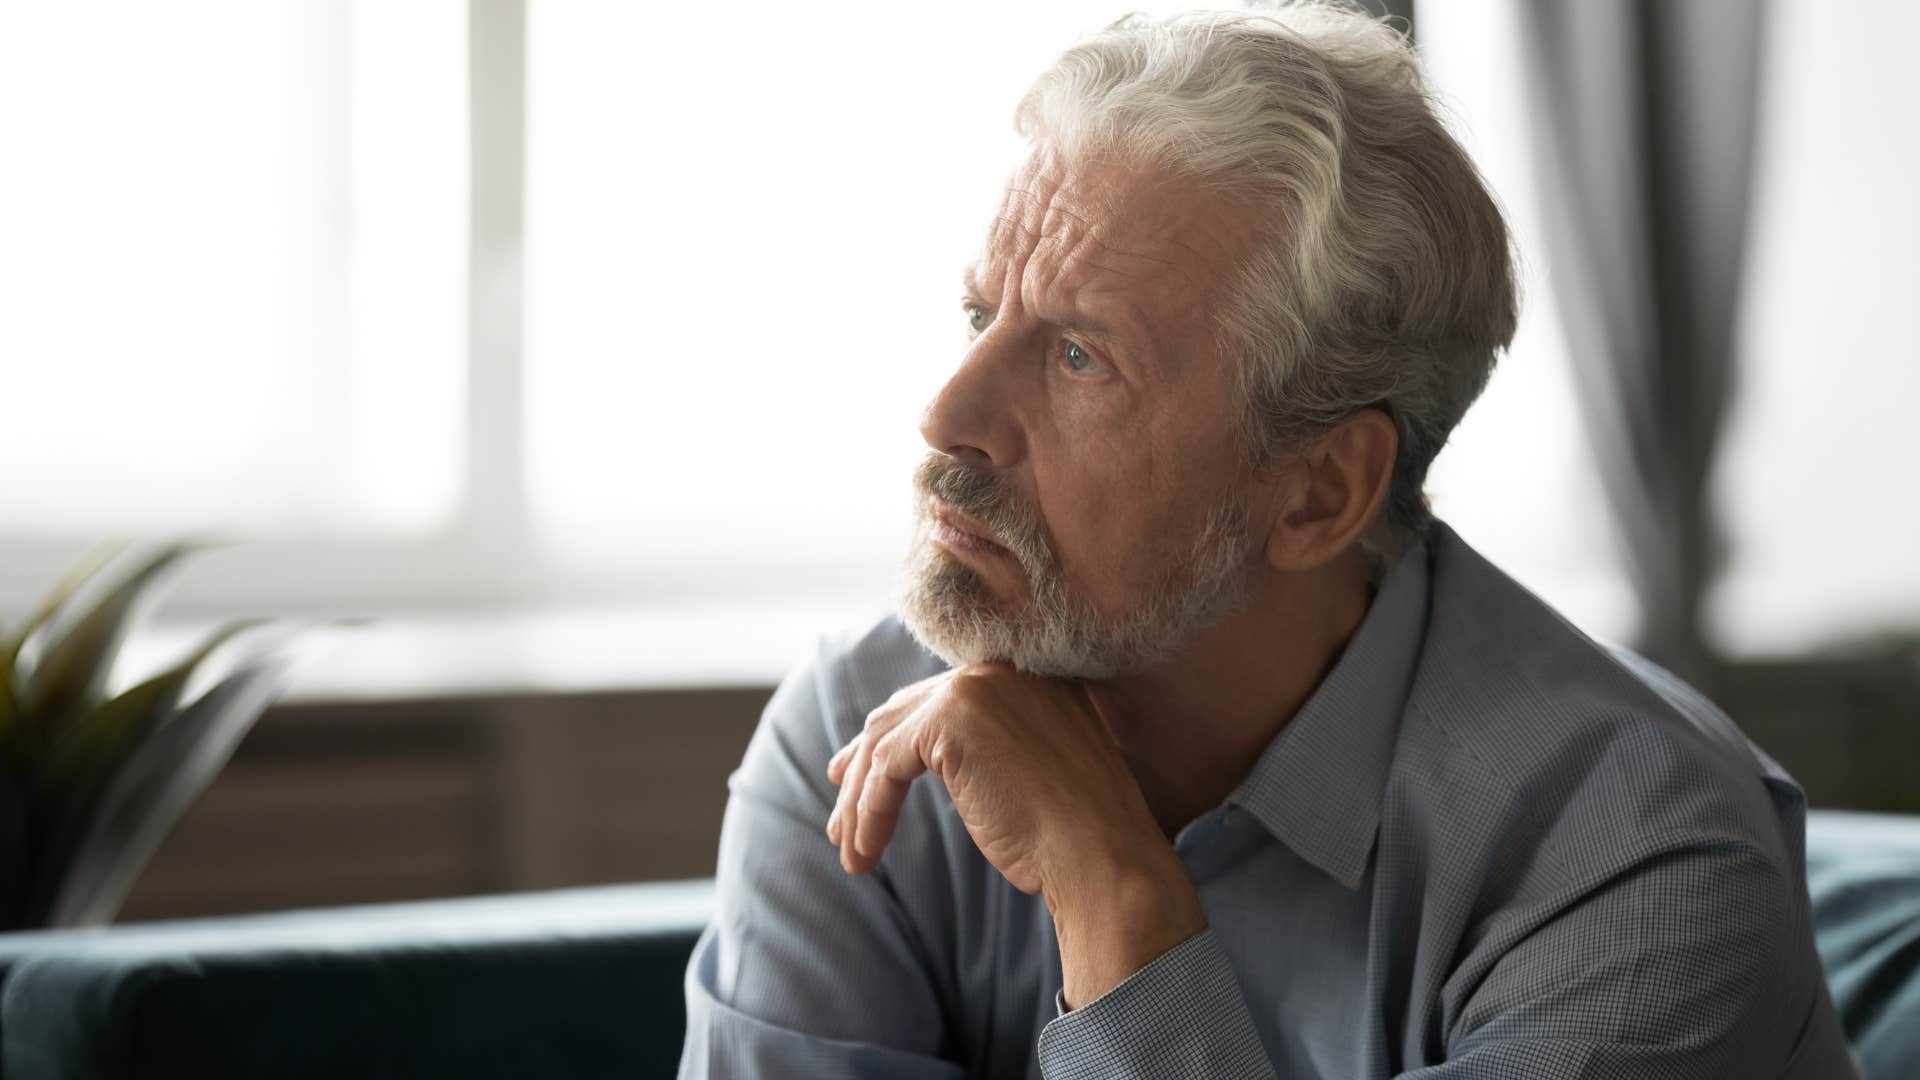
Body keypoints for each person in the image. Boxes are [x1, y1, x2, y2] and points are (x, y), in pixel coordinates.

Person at [677, 5, 1859, 1076]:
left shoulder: (1642, 865)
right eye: (986, 315)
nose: (949, 415)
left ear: (1317, 495)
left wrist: (1116, 897)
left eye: (1082, 355)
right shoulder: (861, 735)